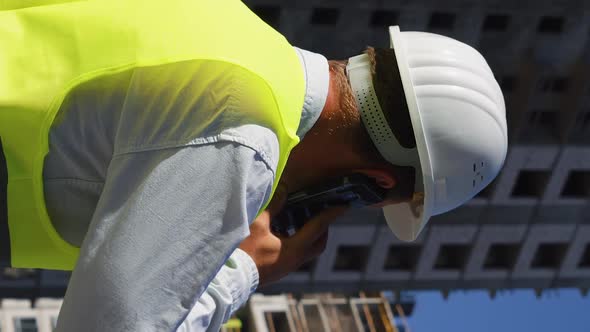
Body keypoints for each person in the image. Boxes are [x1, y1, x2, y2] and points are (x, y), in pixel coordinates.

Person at [0, 0, 507, 330]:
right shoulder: (245, 144)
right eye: (368, 200)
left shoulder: (229, 21)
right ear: (374, 182)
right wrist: (242, 272)